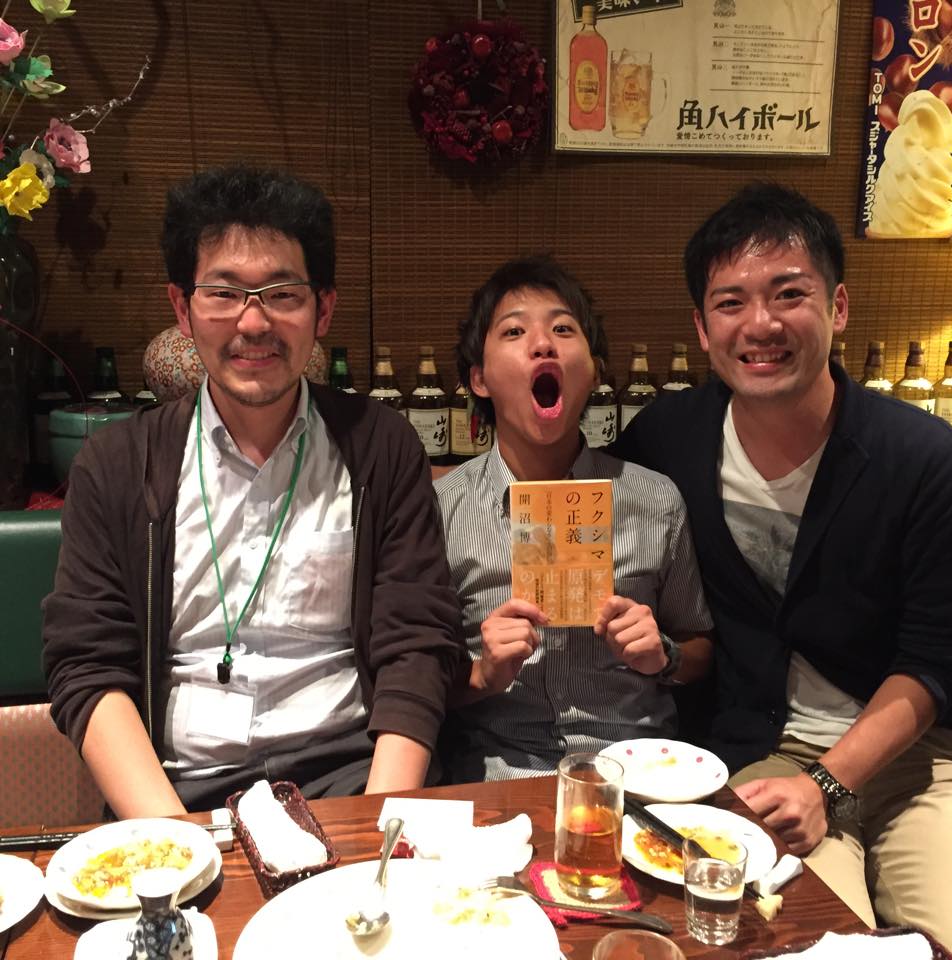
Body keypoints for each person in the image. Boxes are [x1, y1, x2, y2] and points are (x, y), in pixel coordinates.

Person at [43, 165, 466, 817]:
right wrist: (173, 835)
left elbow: (417, 640)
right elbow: (86, 663)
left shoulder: (380, 447)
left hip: (350, 778)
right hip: (181, 791)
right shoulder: (117, 465)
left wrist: (379, 821)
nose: (253, 321)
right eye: (224, 293)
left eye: (282, 294)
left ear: (323, 309)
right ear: (182, 309)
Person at [612, 182, 952, 948]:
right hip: (759, 753)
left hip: (913, 759)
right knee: (775, 936)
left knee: (943, 935)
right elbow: (583, 496)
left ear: (838, 307)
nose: (761, 324)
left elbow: (934, 663)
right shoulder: (671, 437)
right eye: (731, 303)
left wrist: (828, 782)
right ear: (702, 328)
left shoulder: (924, 459)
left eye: (789, 294)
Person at [435, 255, 713, 782]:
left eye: (563, 329)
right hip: (498, 773)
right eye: (514, 331)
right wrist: (482, 675)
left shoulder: (655, 500)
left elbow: (700, 646)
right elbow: (414, 684)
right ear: (479, 379)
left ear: (596, 371)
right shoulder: (441, 509)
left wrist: (664, 656)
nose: (543, 344)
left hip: (635, 770)